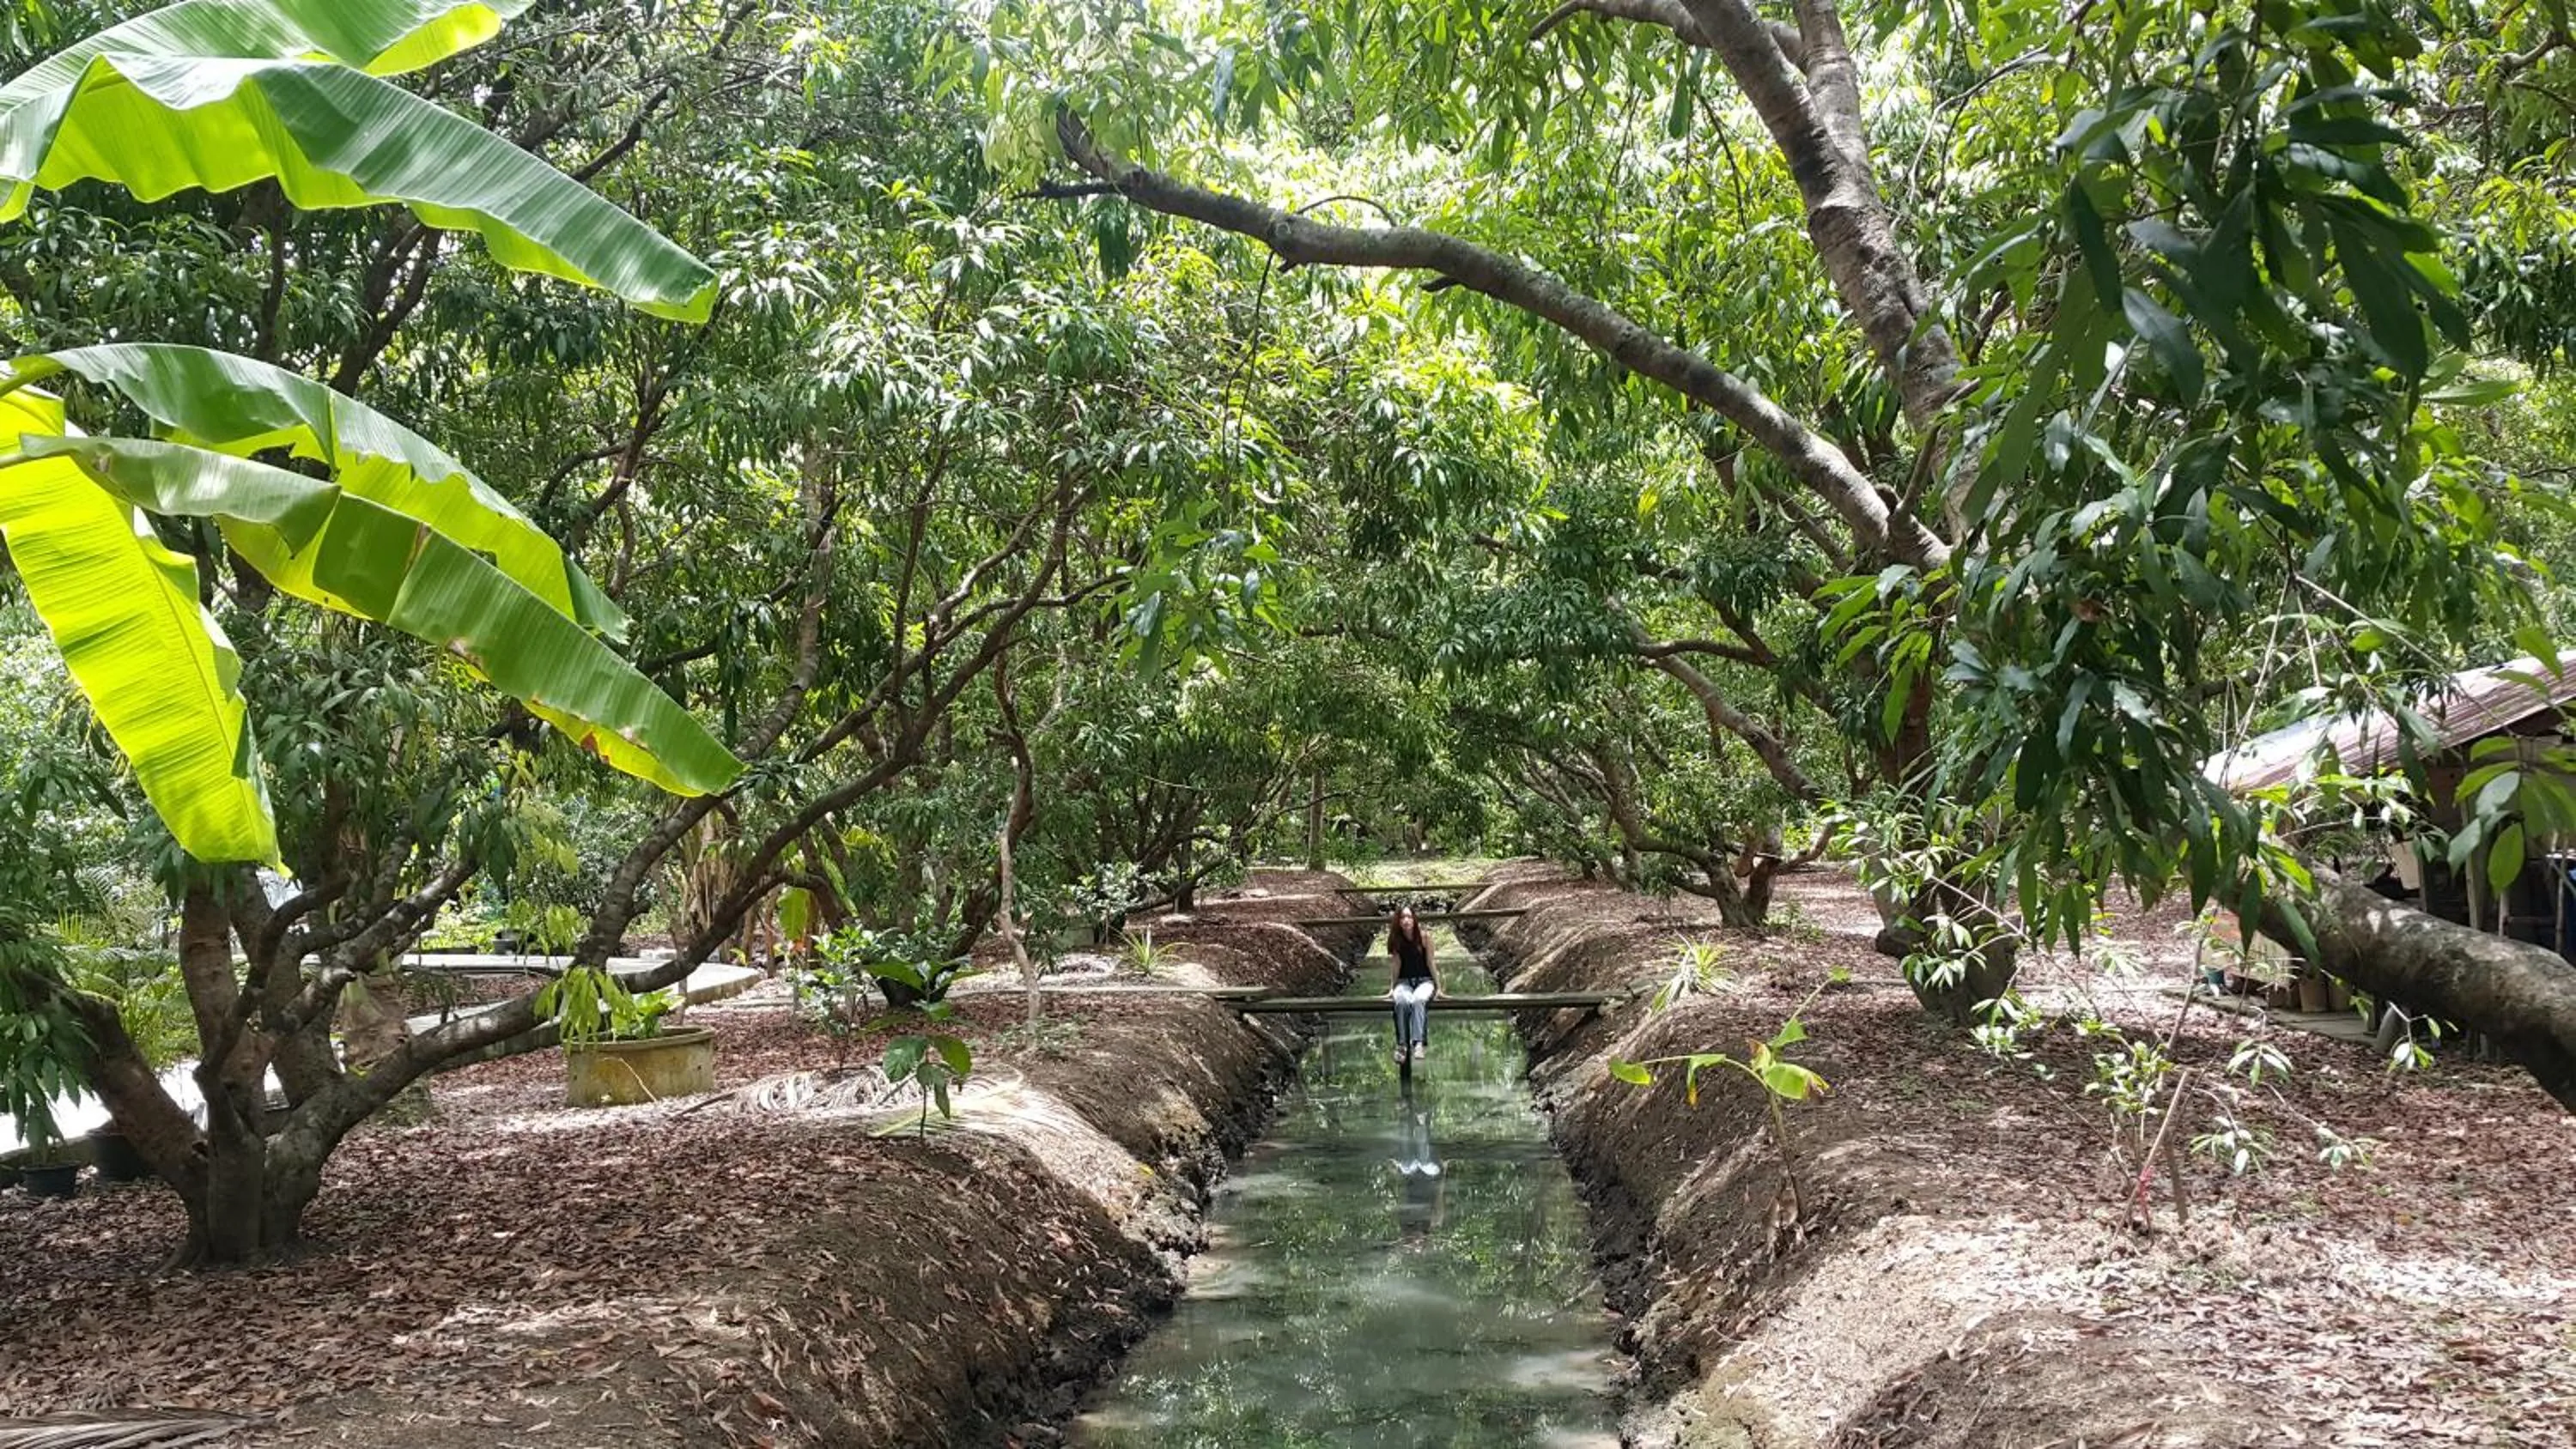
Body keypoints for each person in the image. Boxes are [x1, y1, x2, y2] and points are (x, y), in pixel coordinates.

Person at [1385, 905, 1437, 1065]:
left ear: (1414, 919)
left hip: (1424, 981)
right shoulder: (1396, 941)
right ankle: (1402, 1045)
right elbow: (1395, 966)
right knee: (1401, 1002)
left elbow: (1431, 962)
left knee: (1418, 1000)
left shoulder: (1425, 937)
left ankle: (1418, 1043)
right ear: (1398, 922)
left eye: (1409, 917)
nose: (1406, 920)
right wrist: (1391, 989)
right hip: (1404, 982)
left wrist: (1439, 987)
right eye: (1402, 918)